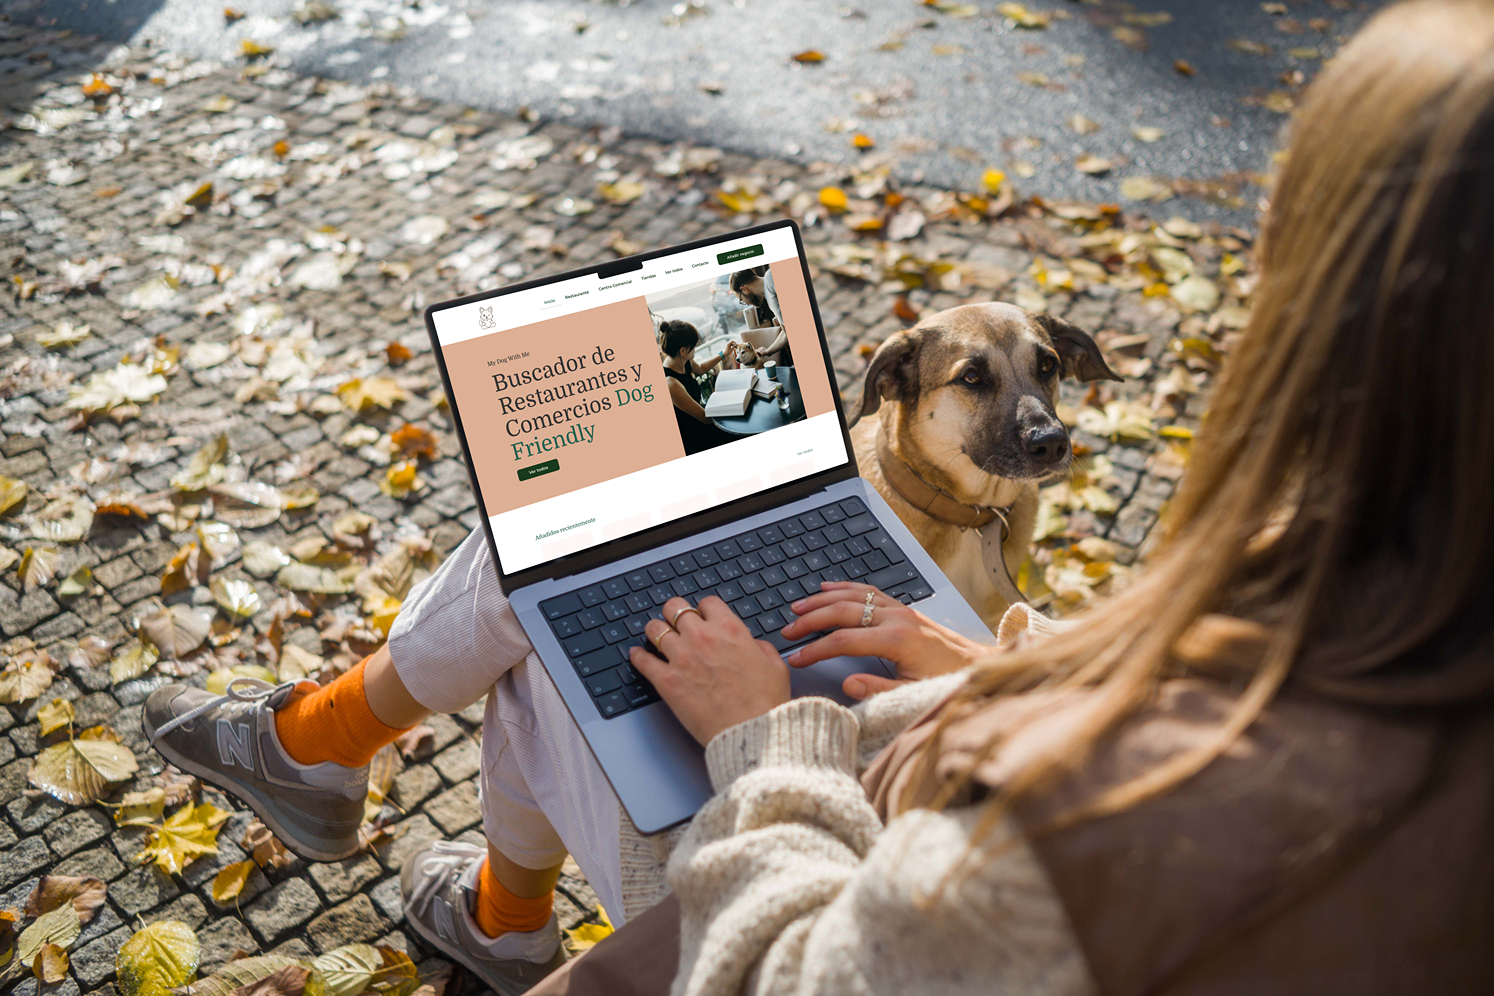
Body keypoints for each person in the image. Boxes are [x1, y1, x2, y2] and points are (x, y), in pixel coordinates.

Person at [144, 2, 1494, 990]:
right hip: (919, 724)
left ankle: (361, 786)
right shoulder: (1373, 663)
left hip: (795, 861)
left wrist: (760, 736)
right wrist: (975, 664)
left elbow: (800, 973)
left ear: (1319, 322)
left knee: (542, 601)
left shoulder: (1130, 814)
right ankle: (424, 850)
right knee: (561, 579)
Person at [659, 319, 735, 455]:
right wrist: (732, 412)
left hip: (702, 419)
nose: (696, 347)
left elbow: (700, 369)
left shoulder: (681, 358)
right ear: (683, 350)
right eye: (694, 346)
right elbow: (705, 418)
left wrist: (724, 353)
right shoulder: (671, 383)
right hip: (694, 436)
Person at [730, 266, 793, 370]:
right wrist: (768, 351)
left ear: (744, 289)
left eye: (742, 299)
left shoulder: (771, 279)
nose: (746, 303)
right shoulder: (769, 297)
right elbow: (787, 332)